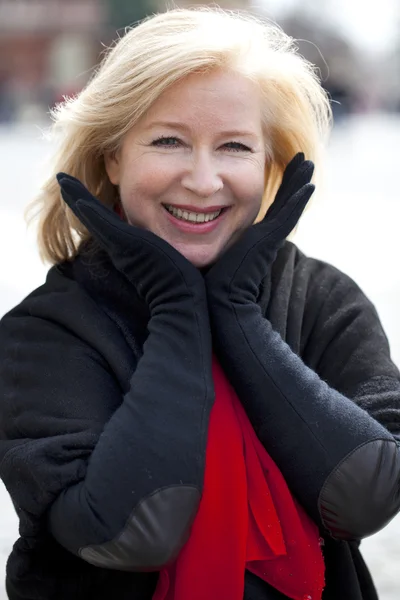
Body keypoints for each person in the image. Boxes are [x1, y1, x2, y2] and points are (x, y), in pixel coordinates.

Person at [0, 7, 399, 600]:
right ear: (112, 156)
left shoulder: (325, 302)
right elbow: (136, 530)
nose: (203, 179)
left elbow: (365, 496)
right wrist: (178, 308)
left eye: (234, 146)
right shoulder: (44, 332)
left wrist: (237, 313)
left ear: (271, 164)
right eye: (169, 141)